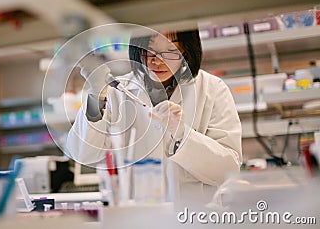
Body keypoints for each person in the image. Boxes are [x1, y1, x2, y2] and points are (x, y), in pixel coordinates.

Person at [66, 29, 242, 204]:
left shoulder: (212, 89)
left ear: (186, 51)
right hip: (136, 217)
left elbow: (228, 170)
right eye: (149, 50)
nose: (157, 61)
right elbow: (83, 155)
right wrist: (95, 96)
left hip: (194, 217)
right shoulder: (117, 92)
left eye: (171, 51)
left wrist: (182, 134)